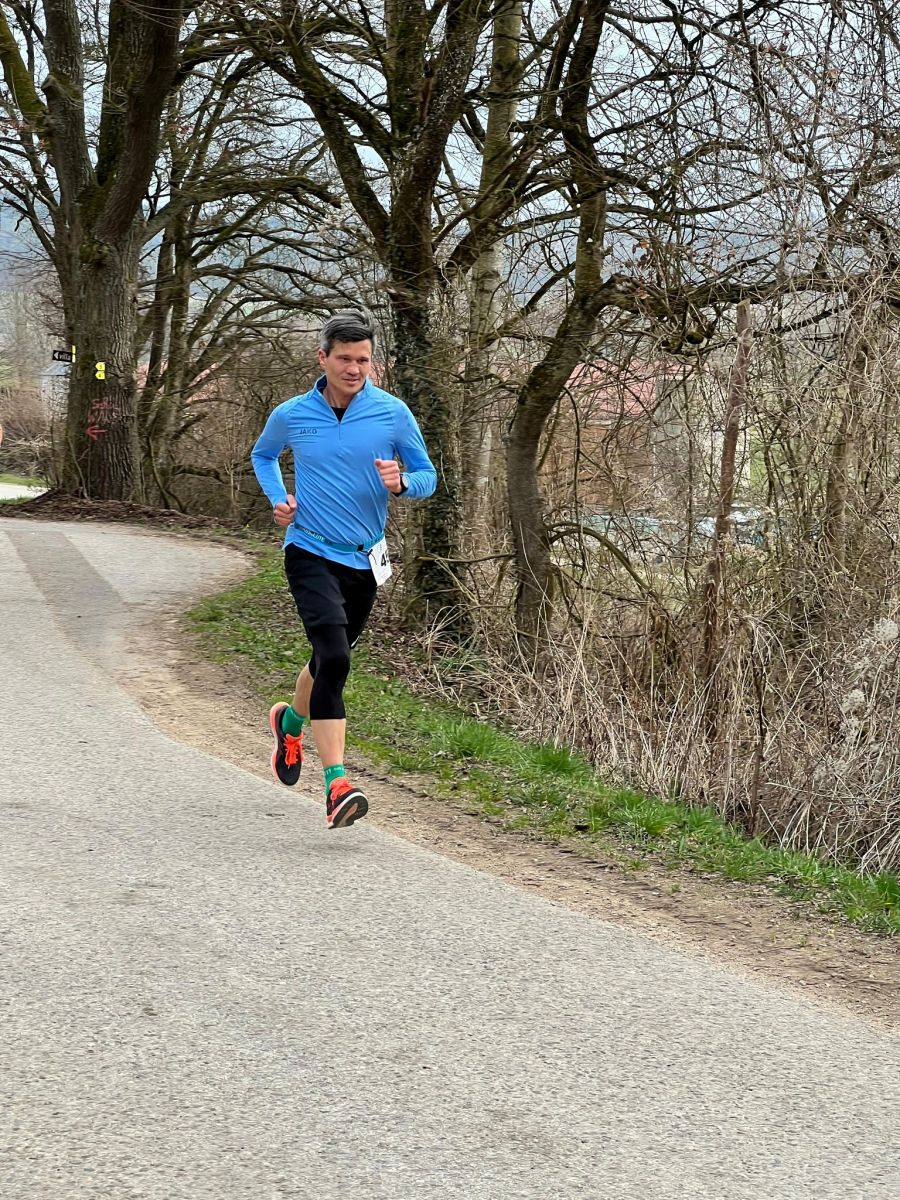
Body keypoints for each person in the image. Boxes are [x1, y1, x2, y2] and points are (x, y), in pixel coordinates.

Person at [251, 310, 437, 828]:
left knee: (326, 659)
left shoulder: (392, 413)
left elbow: (428, 476)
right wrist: (279, 499)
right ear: (323, 358)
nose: (355, 369)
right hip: (309, 549)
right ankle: (337, 784)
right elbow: (264, 455)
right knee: (334, 656)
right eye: (345, 359)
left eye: (364, 360)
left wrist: (402, 483)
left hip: (364, 558)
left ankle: (290, 723)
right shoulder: (293, 413)